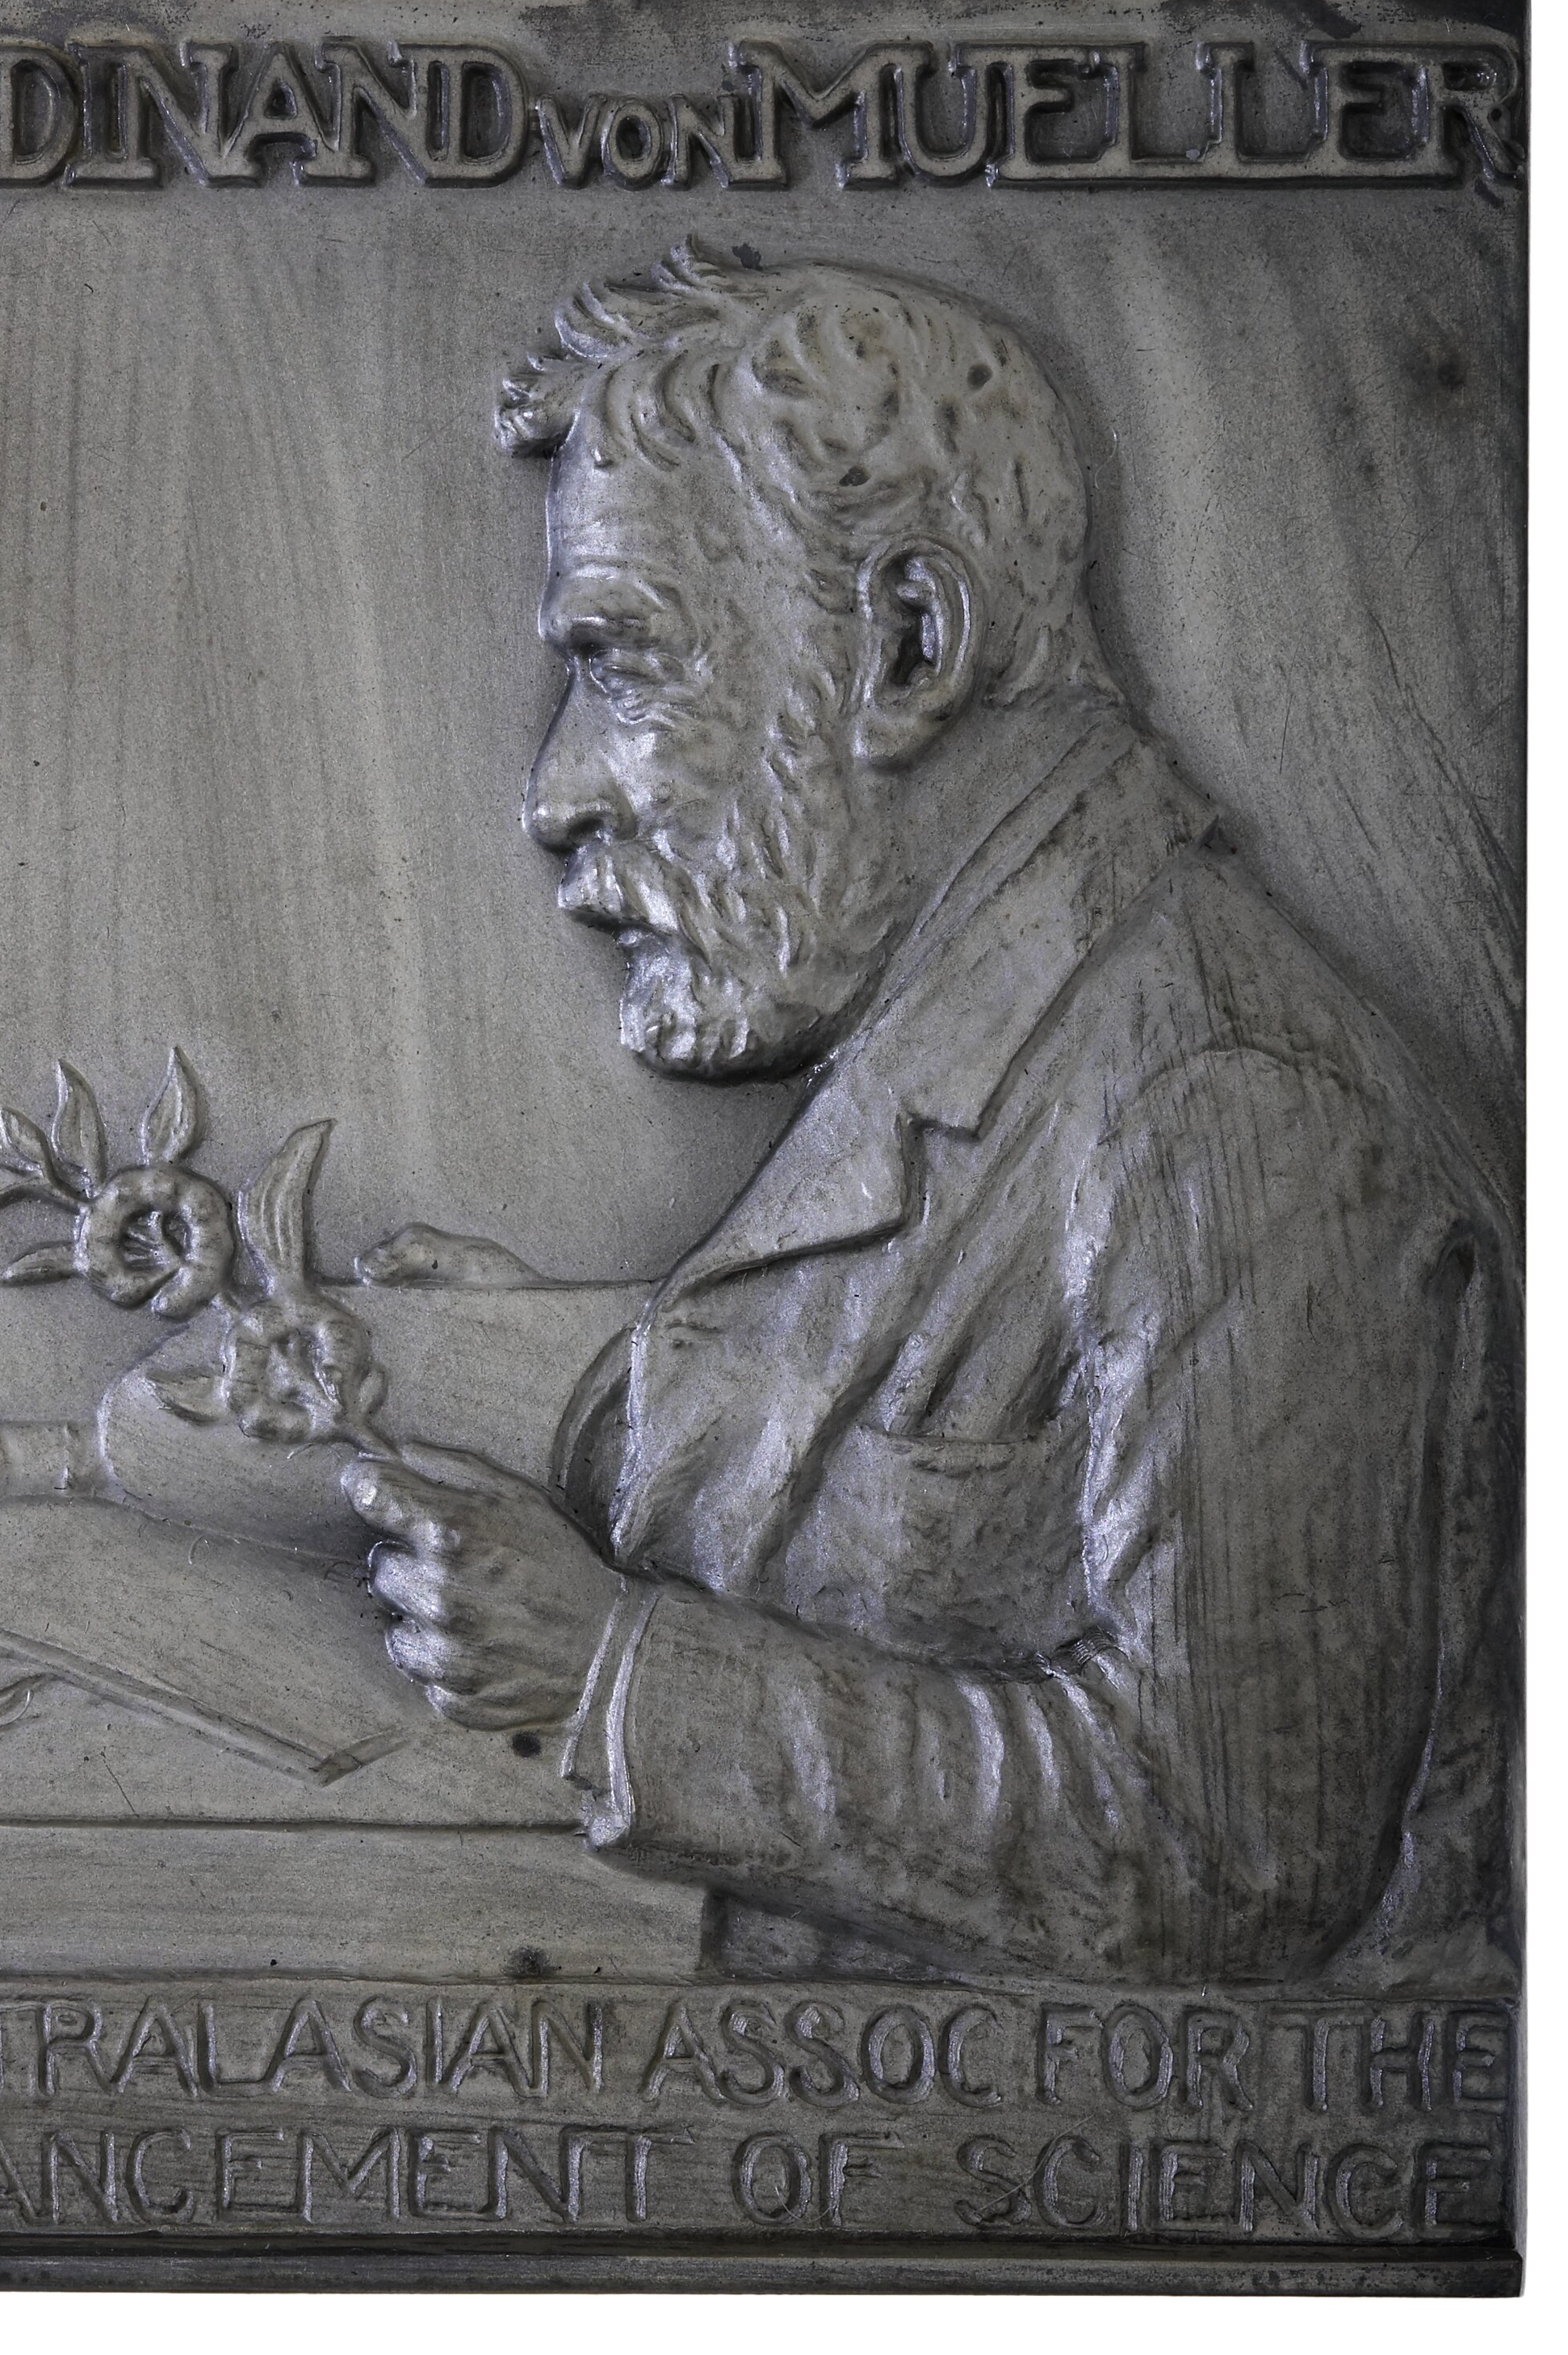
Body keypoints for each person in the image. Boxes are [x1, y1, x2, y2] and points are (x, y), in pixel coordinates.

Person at [342, 245, 1518, 1991]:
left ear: (909, 644)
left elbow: (1227, 1847)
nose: (556, 790)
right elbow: (887, 1433)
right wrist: (548, 1368)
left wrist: (615, 1678)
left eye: (627, 661)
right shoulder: (967, 1040)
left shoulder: (1226, 1108)